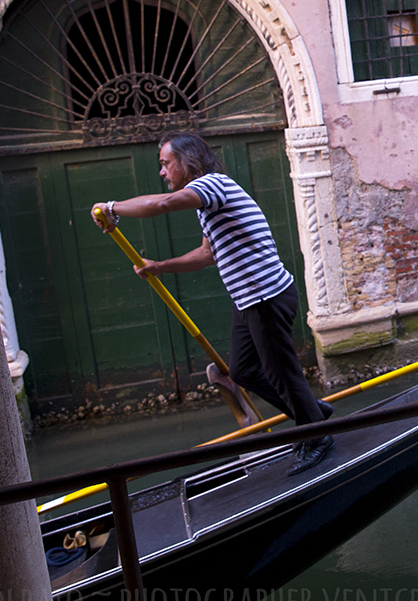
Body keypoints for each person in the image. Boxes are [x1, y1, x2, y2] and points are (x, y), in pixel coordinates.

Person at [91, 131, 334, 476]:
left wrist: (111, 208)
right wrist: (160, 267)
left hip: (266, 296)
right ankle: (312, 414)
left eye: (165, 164)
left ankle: (317, 437)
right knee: (243, 371)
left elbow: (161, 205)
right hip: (250, 300)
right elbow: (208, 254)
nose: (162, 172)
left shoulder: (212, 185)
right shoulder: (209, 200)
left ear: (186, 161)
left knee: (282, 373)